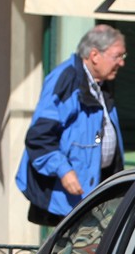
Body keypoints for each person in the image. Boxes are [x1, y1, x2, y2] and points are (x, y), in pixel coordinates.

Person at [19, 24, 126, 228]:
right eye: (117, 56)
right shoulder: (66, 80)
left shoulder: (101, 82)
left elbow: (96, 133)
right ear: (95, 55)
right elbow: (39, 137)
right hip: (67, 197)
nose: (122, 62)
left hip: (94, 191)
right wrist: (64, 170)